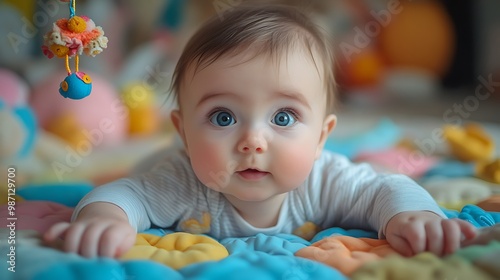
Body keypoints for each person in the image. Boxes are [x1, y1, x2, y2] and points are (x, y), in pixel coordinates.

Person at [44, 4, 476, 259]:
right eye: (223, 117)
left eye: (283, 118)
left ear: (322, 136)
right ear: (184, 132)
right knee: (130, 172)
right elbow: (125, 195)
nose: (253, 141)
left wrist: (414, 216)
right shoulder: (182, 182)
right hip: (152, 164)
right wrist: (105, 219)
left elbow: (389, 189)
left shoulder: (327, 179)